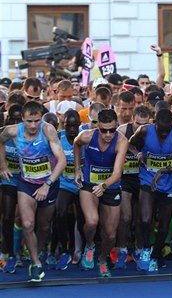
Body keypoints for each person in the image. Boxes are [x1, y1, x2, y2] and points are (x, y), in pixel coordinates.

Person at [0, 101, 67, 282]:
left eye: (36, 120)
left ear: (41, 118)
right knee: (28, 224)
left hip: (49, 184)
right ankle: (36, 264)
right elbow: (0, 141)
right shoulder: (13, 131)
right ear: (22, 119)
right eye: (29, 121)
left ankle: (36, 249)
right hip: (26, 184)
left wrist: (47, 184)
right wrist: (3, 165)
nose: (33, 125)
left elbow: (62, 161)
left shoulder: (48, 131)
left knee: (43, 226)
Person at [127, 109, 172, 271]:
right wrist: (137, 154)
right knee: (145, 219)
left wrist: (165, 170)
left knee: (164, 226)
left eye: (167, 130)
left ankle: (156, 256)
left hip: (169, 182)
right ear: (154, 123)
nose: (164, 134)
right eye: (161, 130)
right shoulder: (143, 130)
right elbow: (129, 144)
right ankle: (145, 249)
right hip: (147, 178)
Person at [73, 109, 128, 277]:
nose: (108, 134)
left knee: (111, 234)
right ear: (98, 127)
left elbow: (118, 172)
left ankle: (103, 259)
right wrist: (77, 169)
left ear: (116, 127)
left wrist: (104, 185)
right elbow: (76, 144)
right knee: (91, 221)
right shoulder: (87, 136)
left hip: (110, 186)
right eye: (104, 130)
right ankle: (89, 245)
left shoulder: (121, 141)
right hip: (90, 183)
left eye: (112, 129)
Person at [114, 106, 151, 270]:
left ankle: (138, 248)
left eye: (144, 124)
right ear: (132, 120)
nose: (140, 128)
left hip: (143, 178)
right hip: (126, 178)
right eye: (137, 123)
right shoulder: (123, 130)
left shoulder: (152, 132)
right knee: (126, 216)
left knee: (140, 218)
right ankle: (121, 249)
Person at [52, 110, 82, 271]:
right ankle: (64, 249)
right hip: (65, 183)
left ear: (79, 124)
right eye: (68, 126)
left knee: (82, 217)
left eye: (74, 125)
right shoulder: (58, 137)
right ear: (64, 126)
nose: (71, 129)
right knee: (60, 212)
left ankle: (79, 250)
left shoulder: (85, 136)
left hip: (82, 183)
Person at [0, 105, 24, 273]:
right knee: (8, 216)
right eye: (12, 120)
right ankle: (8, 253)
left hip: (26, 181)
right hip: (9, 180)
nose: (15, 123)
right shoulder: (4, 133)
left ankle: (20, 251)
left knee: (23, 219)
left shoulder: (30, 133)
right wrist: (2, 167)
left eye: (18, 120)